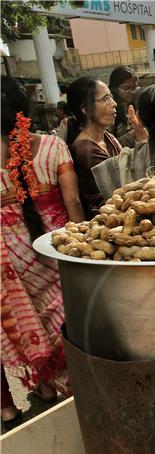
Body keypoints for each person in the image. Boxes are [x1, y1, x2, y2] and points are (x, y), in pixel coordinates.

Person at [1, 78, 85, 421]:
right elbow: (73, 201)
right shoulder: (52, 147)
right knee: (67, 319)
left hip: (11, 261)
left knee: (32, 322)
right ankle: (78, 387)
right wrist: (83, 249)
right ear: (26, 111)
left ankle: (48, 389)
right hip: (55, 249)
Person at [66, 77, 122, 217]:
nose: (114, 104)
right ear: (85, 109)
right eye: (105, 99)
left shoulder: (109, 138)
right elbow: (124, 186)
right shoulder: (85, 150)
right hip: (107, 222)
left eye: (111, 97)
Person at [108, 66, 144, 148]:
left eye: (135, 87)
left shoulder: (139, 105)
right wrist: (135, 132)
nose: (132, 91)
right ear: (115, 89)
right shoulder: (110, 112)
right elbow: (110, 146)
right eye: (127, 88)